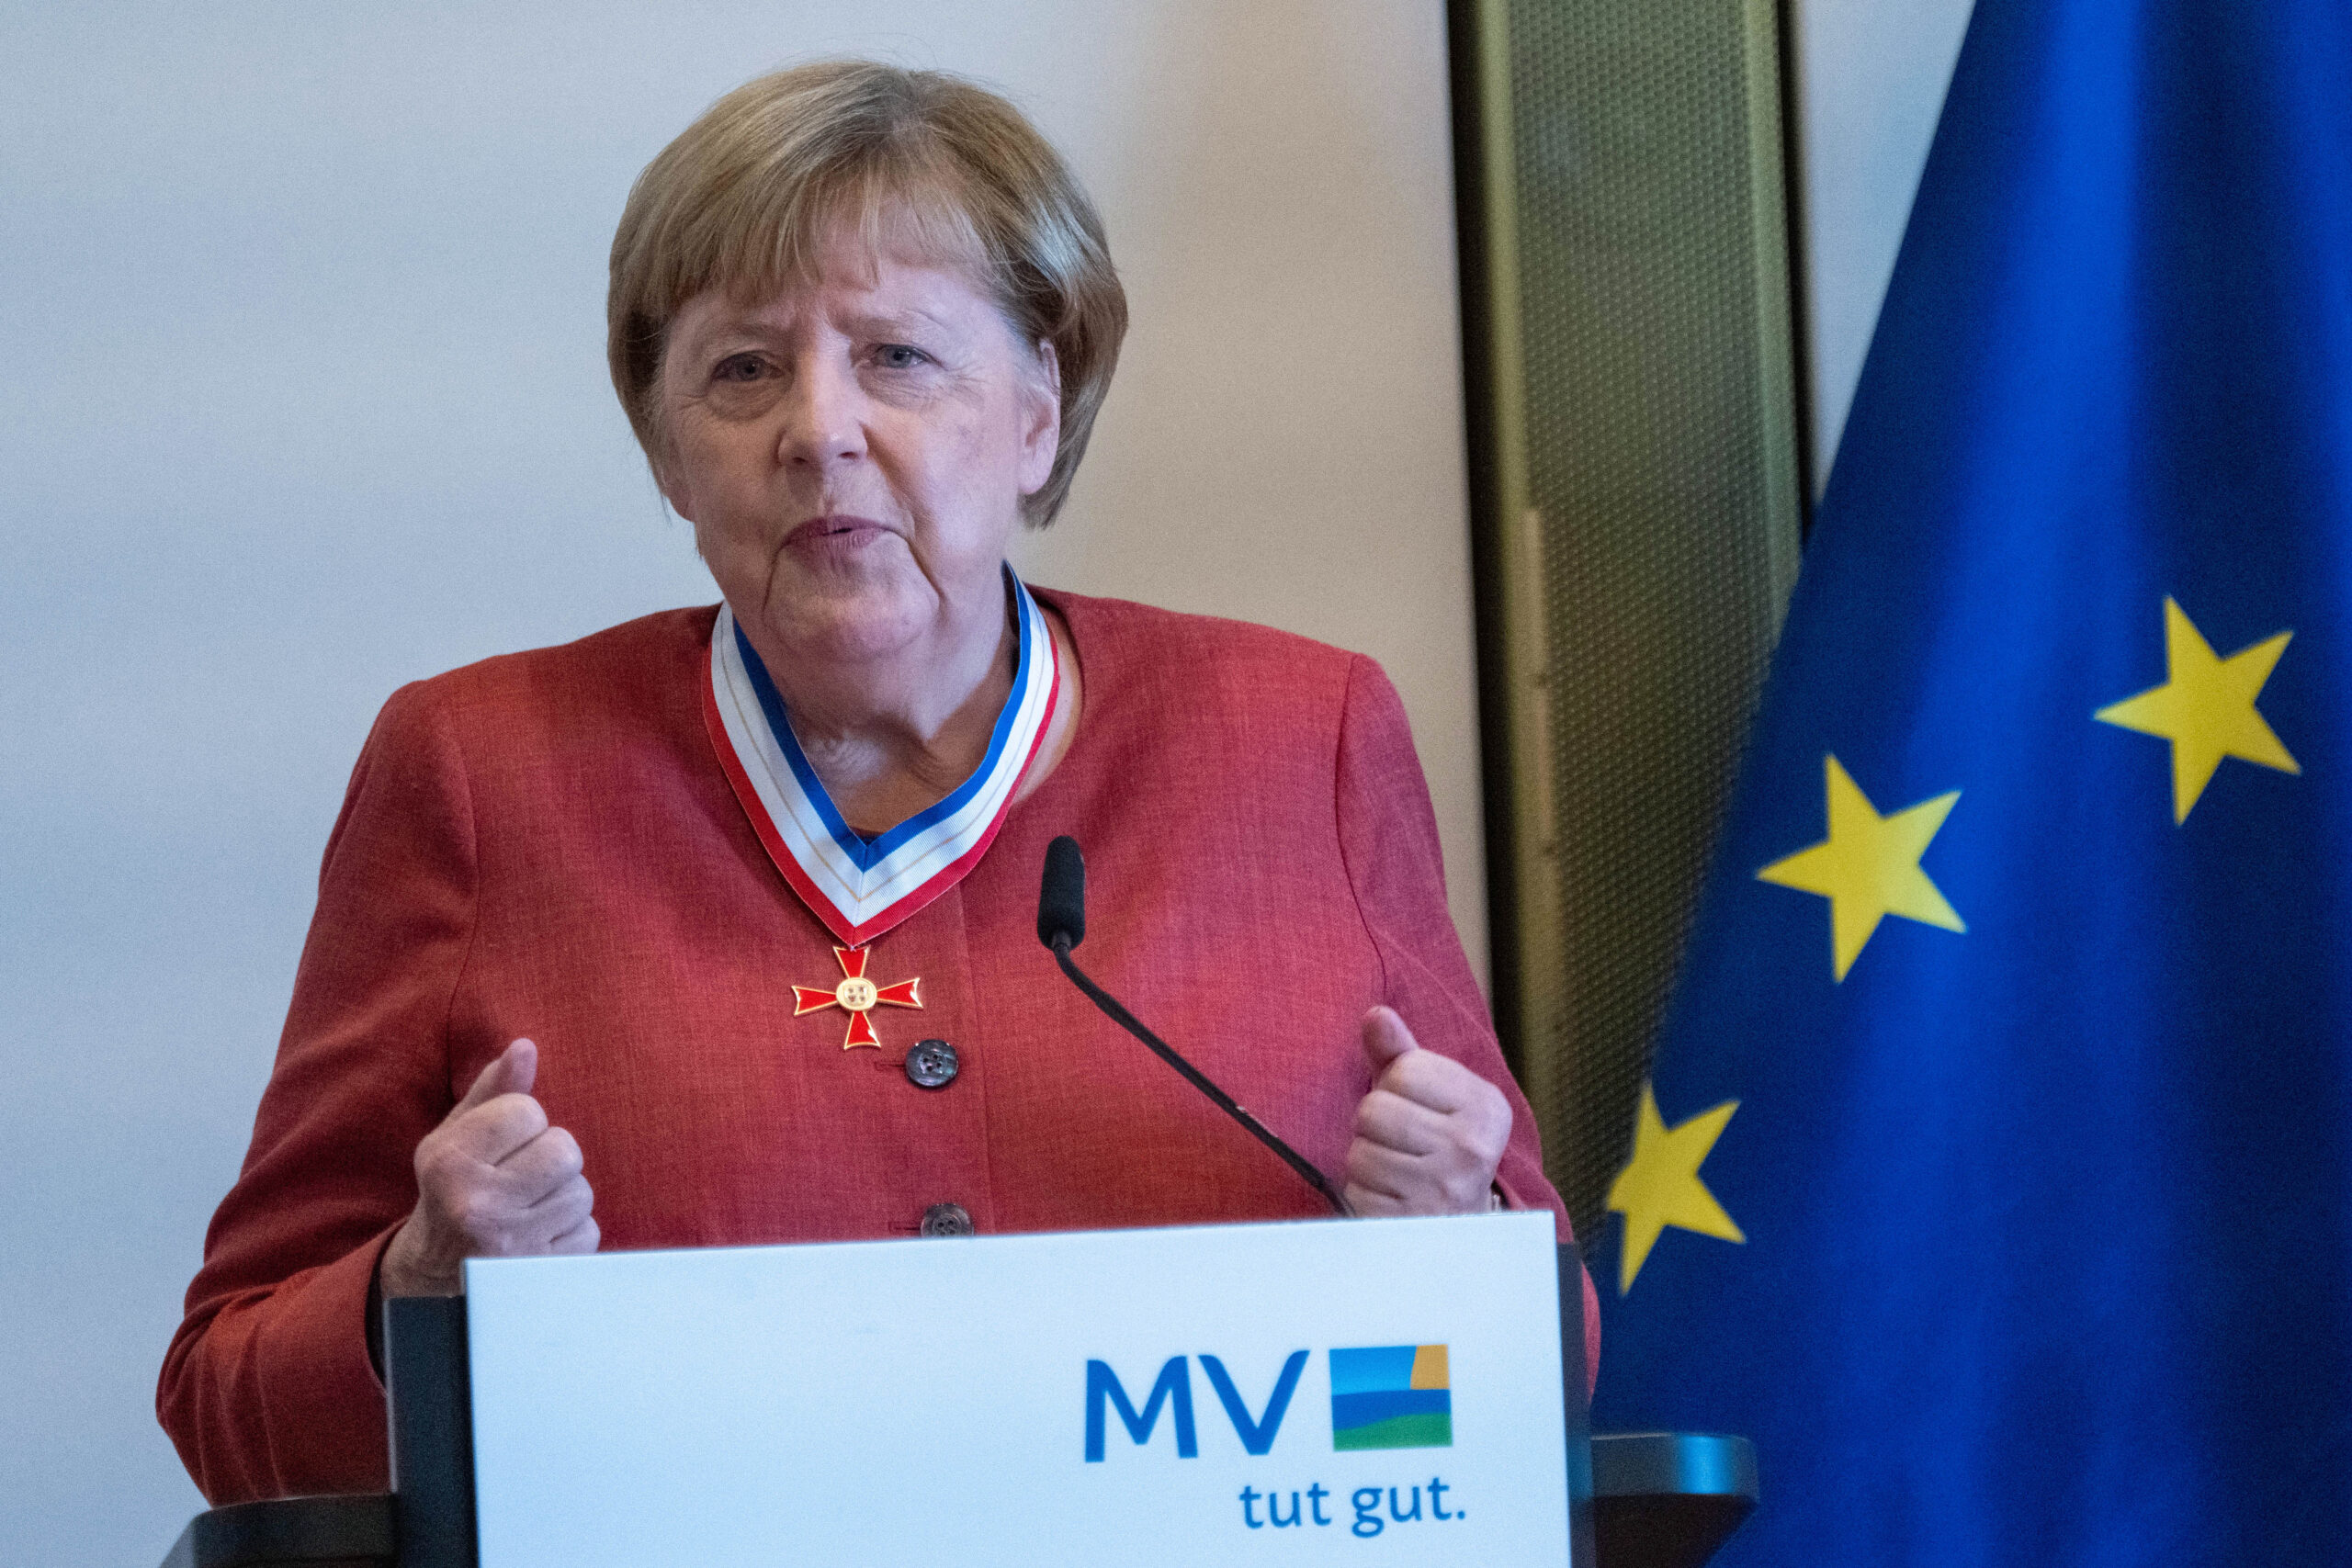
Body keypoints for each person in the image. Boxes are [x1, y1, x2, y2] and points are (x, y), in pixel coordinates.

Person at [159, 59, 1595, 1505]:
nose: (818, 430)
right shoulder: (482, 771)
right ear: (668, 451)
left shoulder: (1302, 738)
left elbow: (1554, 1366)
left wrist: (1455, 1245)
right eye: (743, 370)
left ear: (1038, 410)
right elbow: (229, 1406)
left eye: (898, 356)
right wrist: (421, 1289)